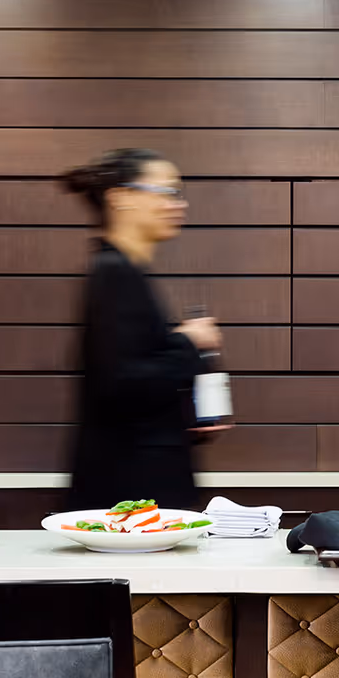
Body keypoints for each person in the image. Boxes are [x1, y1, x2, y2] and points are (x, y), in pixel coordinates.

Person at [62, 149, 221, 510]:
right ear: (122, 199)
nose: (178, 204)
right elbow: (122, 383)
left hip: (138, 491)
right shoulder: (114, 273)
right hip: (130, 499)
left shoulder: (123, 272)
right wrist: (188, 341)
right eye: (166, 192)